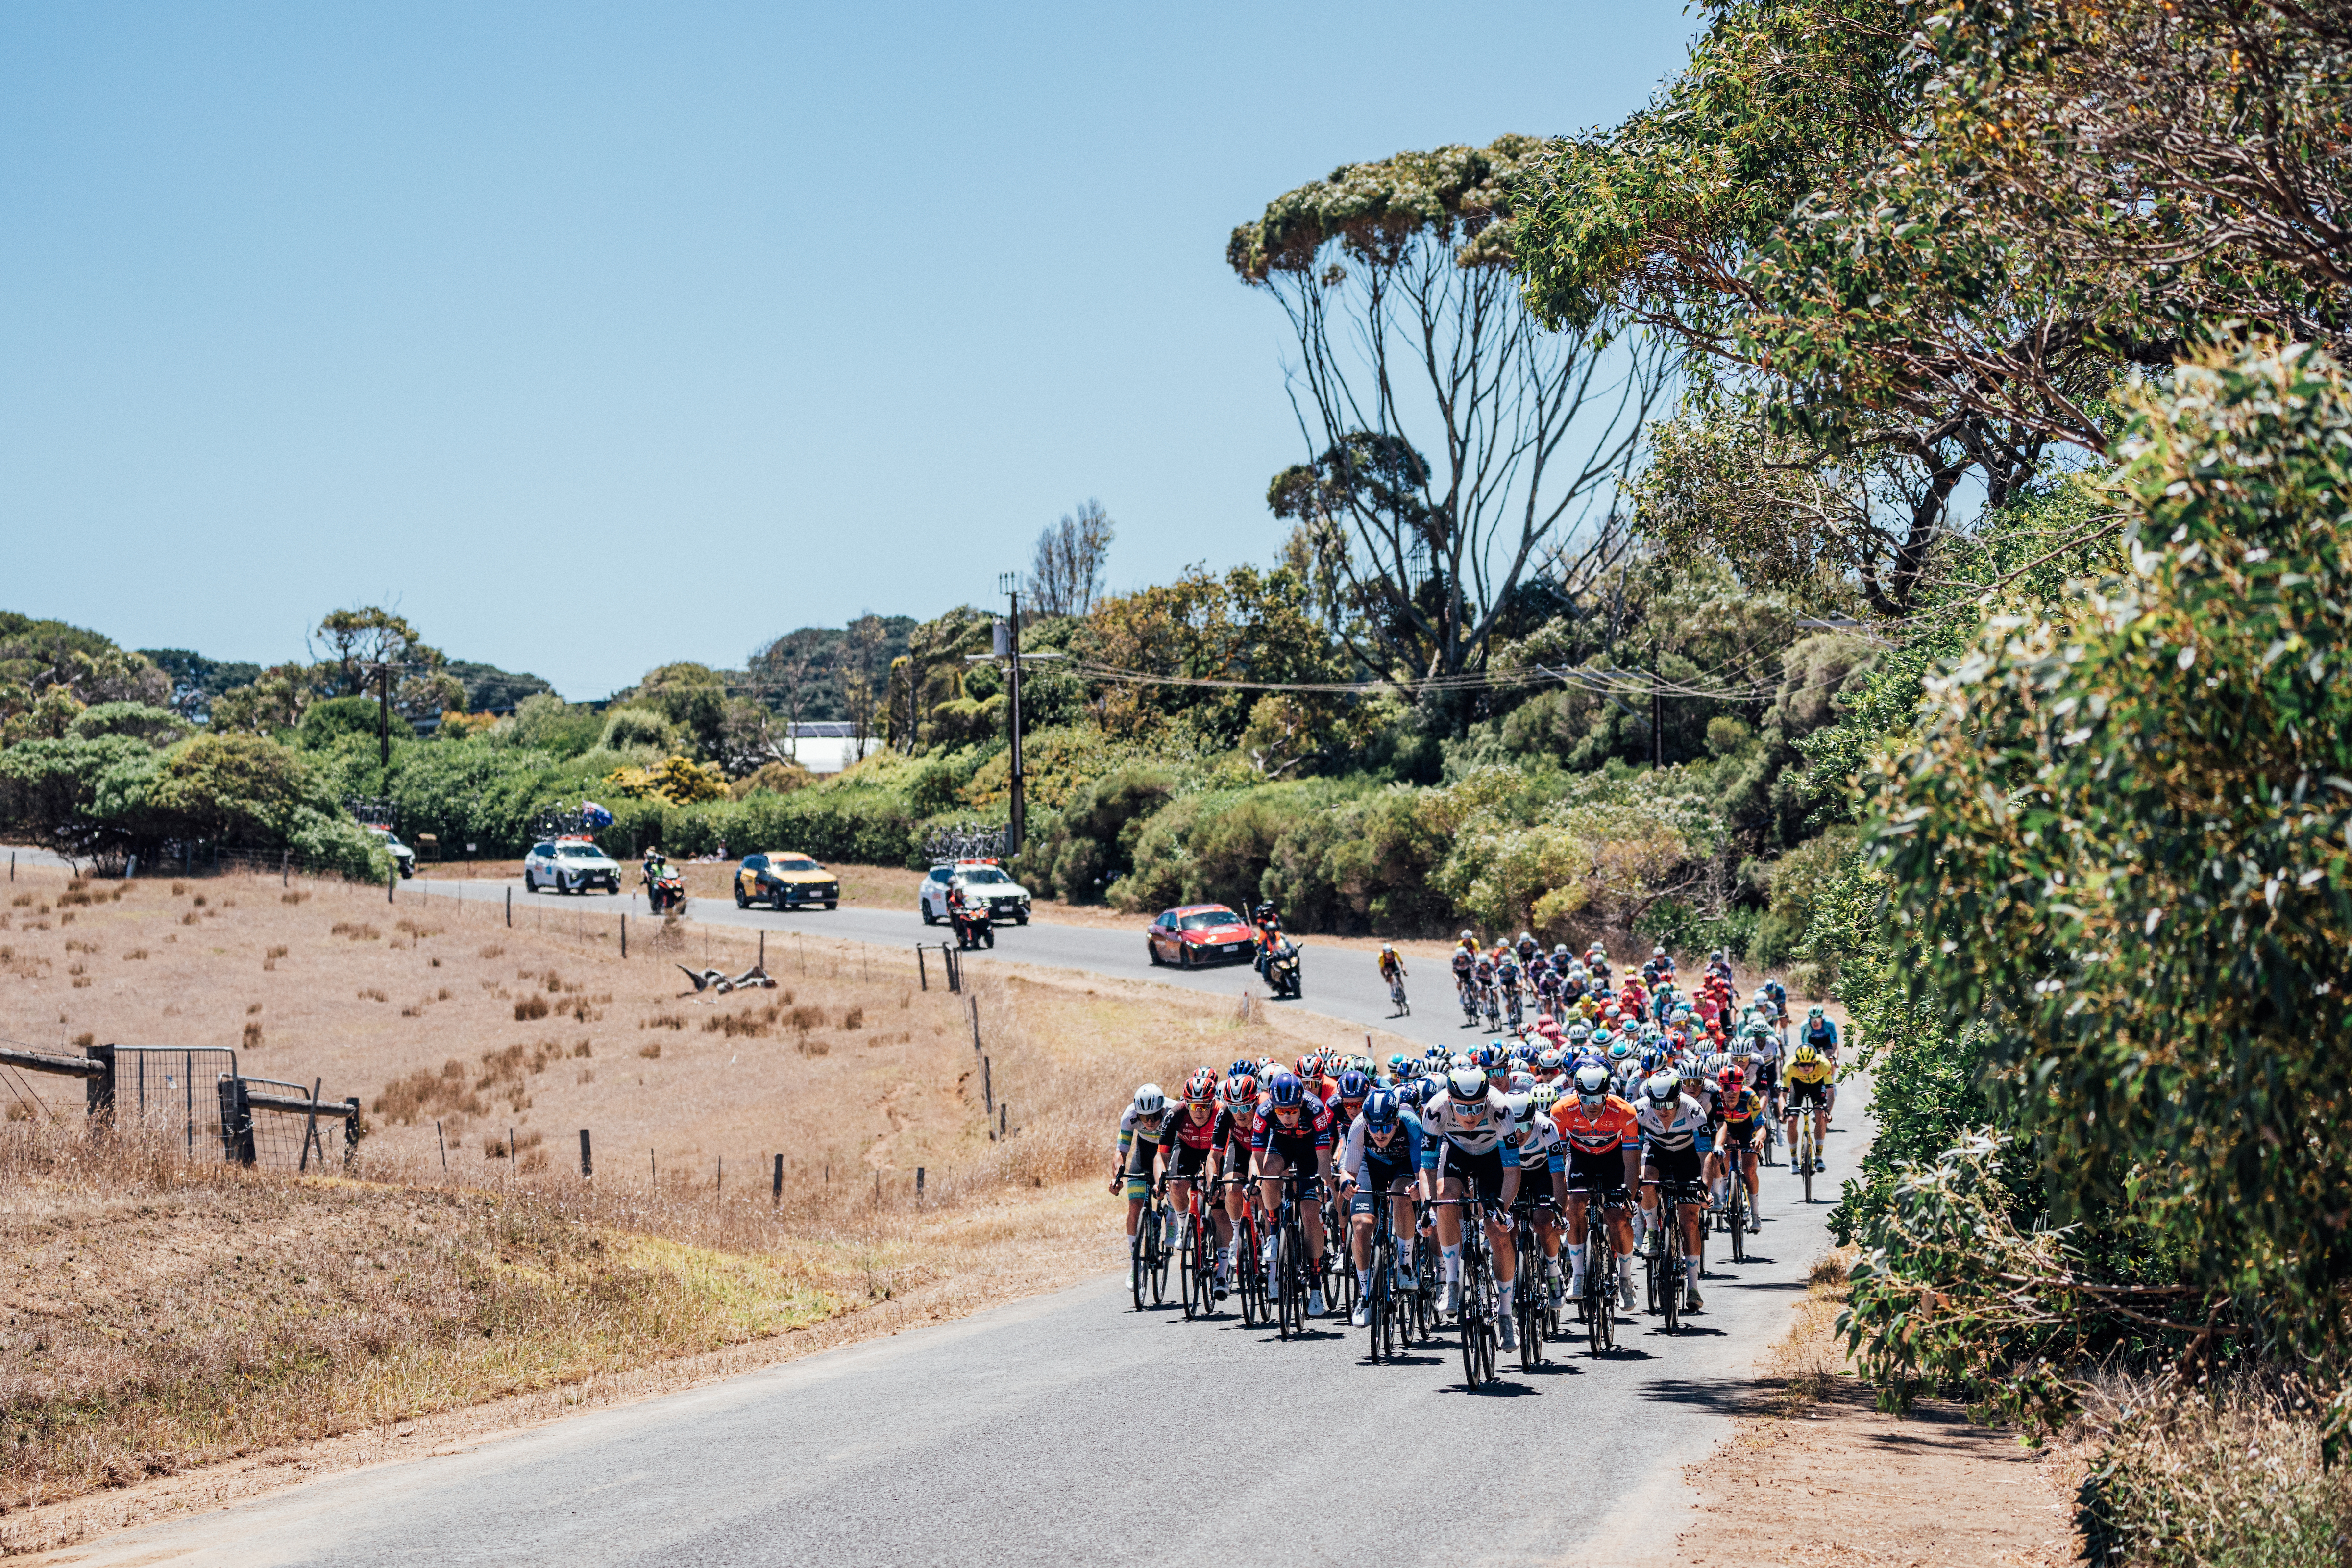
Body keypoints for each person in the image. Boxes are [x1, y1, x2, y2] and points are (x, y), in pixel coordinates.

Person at [1419, 1066, 1524, 1350]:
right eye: (1462, 1109)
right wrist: (1429, 1208)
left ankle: (1505, 1313)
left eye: (1477, 1107)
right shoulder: (1436, 1109)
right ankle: (1453, 1284)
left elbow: (1513, 1170)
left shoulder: (1501, 1108)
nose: (1470, 1116)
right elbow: (1427, 1168)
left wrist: (1503, 1207)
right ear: (1450, 1099)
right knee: (1444, 1196)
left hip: (1494, 1161)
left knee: (1497, 1231)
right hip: (1459, 1155)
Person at [1555, 1062, 1642, 1311]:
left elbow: (1631, 1160)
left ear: (1607, 1093)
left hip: (1613, 1159)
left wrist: (1630, 1195)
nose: (1593, 1104)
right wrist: (1561, 1195)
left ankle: (1625, 1277)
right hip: (1580, 1156)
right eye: (1586, 1098)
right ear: (1576, 1093)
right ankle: (1579, 1274)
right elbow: (1558, 1158)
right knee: (1575, 1206)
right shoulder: (1562, 1110)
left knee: (1617, 1218)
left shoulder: (1625, 1112)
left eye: (1598, 1097)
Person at [1249, 1070, 1335, 1317]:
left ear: (1301, 1104)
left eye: (1293, 1111)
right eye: (1281, 1112)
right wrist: (1255, 1180)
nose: (1287, 1117)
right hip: (1282, 1145)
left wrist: (1324, 1184)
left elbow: (1323, 1158)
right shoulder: (1264, 1111)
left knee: (1310, 1214)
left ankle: (1316, 1286)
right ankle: (1274, 1235)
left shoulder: (1315, 1108)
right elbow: (1256, 1157)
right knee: (1269, 1171)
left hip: (1311, 1151)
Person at [1340, 1088, 1422, 1326]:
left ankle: (1405, 1266)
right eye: (1374, 1128)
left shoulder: (1411, 1124)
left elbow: (1422, 1174)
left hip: (1403, 1165)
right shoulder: (1358, 1126)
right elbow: (1349, 1171)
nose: (1380, 1133)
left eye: (1386, 1127)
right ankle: (1365, 1296)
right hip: (1371, 1166)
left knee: (1403, 1197)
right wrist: (1347, 1183)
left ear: (1396, 1120)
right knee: (1363, 1226)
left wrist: (1419, 1188)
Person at [1638, 1070, 1712, 1312]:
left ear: (1678, 1098)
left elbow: (1705, 1153)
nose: (1663, 1110)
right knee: (1646, 1179)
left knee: (1690, 1219)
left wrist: (1704, 1187)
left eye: (1669, 1103)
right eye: (1657, 1104)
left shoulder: (1693, 1110)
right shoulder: (1640, 1109)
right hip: (1656, 1150)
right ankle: (1652, 1231)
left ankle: (1693, 1287)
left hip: (1687, 1156)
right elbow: (1629, 1147)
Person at [1110, 1085, 1172, 1281]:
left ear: (1162, 1110)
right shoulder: (1130, 1116)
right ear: (1138, 1114)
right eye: (1145, 1118)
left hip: (1169, 1150)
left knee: (1170, 1186)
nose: (1151, 1122)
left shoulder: (1174, 1111)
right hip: (1144, 1153)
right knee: (1135, 1206)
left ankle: (1172, 1214)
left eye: (1155, 1116)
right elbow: (1121, 1152)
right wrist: (1117, 1179)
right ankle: (1135, 1265)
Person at [1783, 1044, 1833, 1173]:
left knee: (1820, 1114)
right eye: (1802, 1064)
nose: (1806, 1068)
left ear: (1815, 1062)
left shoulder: (1825, 1065)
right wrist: (1783, 1110)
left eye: (1810, 1064)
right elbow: (1783, 1094)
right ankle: (1794, 1159)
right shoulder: (1789, 1067)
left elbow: (1831, 1093)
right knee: (1792, 1120)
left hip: (1817, 1086)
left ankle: (1819, 1158)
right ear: (1797, 1063)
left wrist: (1828, 1111)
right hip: (1797, 1086)